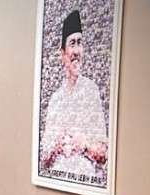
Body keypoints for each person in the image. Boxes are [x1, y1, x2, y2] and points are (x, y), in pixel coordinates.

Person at [40, 10, 108, 182]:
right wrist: (57, 147)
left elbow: (103, 154)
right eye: (72, 44)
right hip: (57, 181)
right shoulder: (55, 99)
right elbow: (44, 159)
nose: (77, 51)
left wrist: (83, 145)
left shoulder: (91, 92)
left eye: (80, 43)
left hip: (83, 180)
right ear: (63, 54)